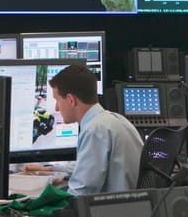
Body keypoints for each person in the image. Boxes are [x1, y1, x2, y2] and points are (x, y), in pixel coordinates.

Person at [26, 64, 143, 195]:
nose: (57, 108)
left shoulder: (95, 131)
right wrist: (50, 169)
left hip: (111, 212)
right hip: (131, 208)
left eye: (57, 100)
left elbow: (81, 192)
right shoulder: (115, 120)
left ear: (71, 100)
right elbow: (89, 167)